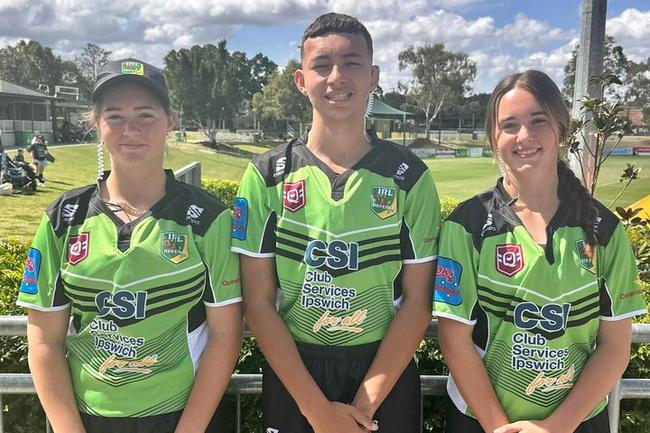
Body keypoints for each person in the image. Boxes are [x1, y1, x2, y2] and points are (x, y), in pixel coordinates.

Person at [231, 12, 440, 433]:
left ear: (373, 76)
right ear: (300, 80)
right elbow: (258, 304)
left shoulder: (410, 178)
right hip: (296, 375)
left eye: (352, 63)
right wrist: (316, 410)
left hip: (384, 371)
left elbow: (418, 304)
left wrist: (362, 407)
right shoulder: (264, 176)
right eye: (322, 65)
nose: (336, 77)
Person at [17, 58, 242, 433]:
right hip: (85, 419)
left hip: (183, 417)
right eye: (115, 116)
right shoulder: (63, 218)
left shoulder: (208, 219)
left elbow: (225, 334)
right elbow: (44, 340)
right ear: (96, 122)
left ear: (171, 120)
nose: (130, 129)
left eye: (145, 114)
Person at [434, 70, 647, 433]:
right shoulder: (466, 225)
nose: (525, 136)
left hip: (576, 422)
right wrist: (499, 427)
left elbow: (614, 347)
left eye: (538, 121)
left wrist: (556, 427)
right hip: (481, 421)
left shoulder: (605, 230)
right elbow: (455, 342)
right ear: (493, 138)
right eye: (509, 125)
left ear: (561, 130)